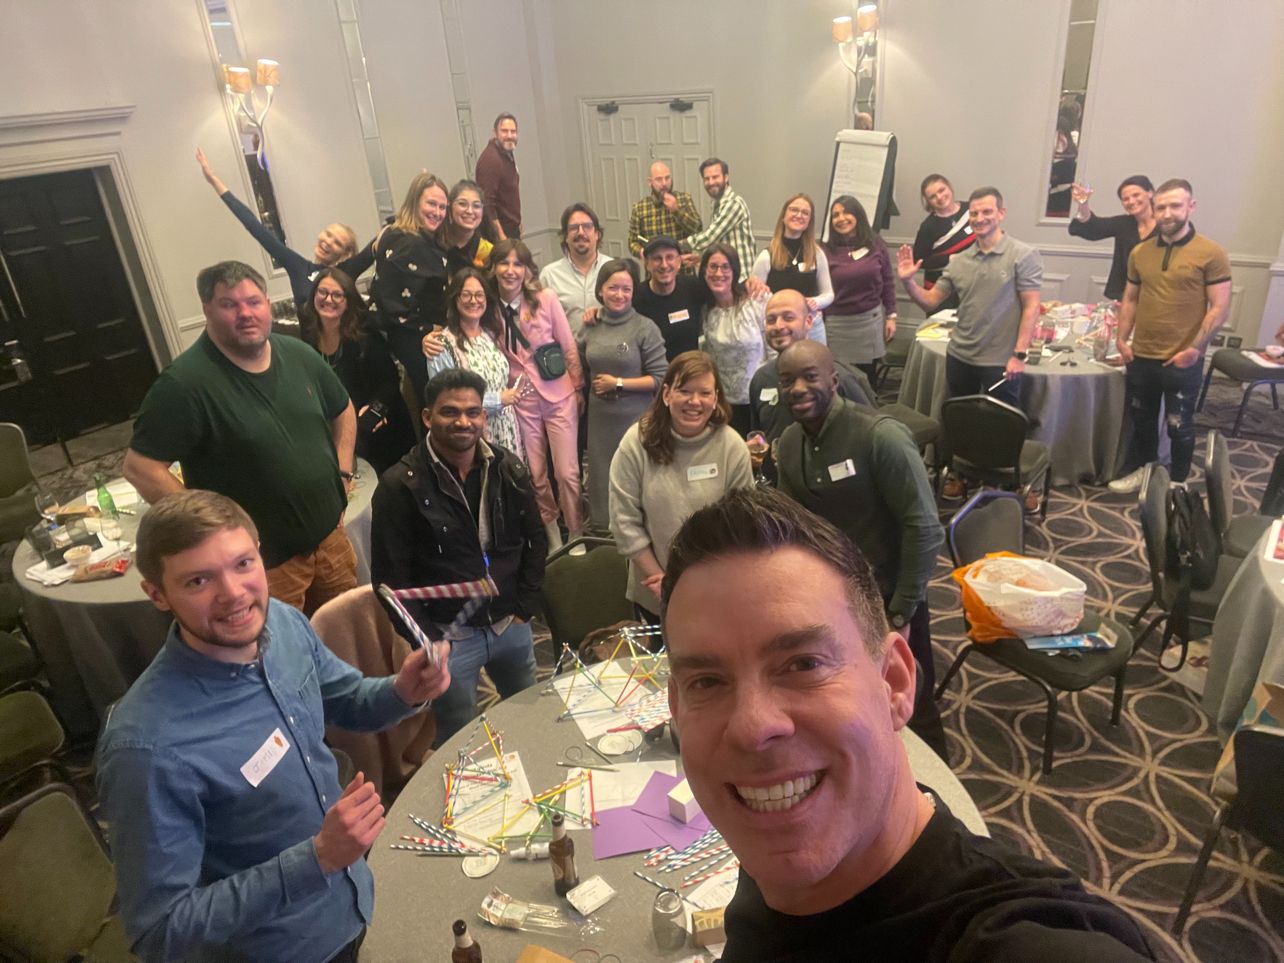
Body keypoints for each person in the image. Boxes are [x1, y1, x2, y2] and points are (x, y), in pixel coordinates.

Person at [661, 488, 1157, 962]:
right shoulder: (788, 831)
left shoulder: (1019, 943)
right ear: (676, 707)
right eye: (707, 682)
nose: (752, 727)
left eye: (803, 664)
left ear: (895, 682)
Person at [96, 489, 451, 962]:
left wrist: (402, 691)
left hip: (354, 899)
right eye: (199, 580)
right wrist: (318, 858)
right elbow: (161, 932)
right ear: (157, 594)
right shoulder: (146, 749)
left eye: (243, 564)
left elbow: (346, 700)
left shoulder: (281, 623)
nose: (234, 594)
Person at [124, 261, 358, 615]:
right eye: (229, 304)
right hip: (262, 568)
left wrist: (342, 471)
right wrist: (209, 532)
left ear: (267, 303)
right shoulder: (184, 384)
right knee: (278, 660)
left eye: (253, 302)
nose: (245, 313)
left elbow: (343, 409)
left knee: (347, 640)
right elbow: (141, 468)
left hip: (330, 542)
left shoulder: (298, 354)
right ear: (207, 310)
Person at [774, 340, 947, 757]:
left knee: (909, 696)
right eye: (787, 380)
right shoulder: (790, 443)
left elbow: (924, 529)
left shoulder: (880, 437)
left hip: (891, 598)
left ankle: (938, 792)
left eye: (809, 376)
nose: (797, 388)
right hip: (832, 602)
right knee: (845, 696)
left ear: (833, 380)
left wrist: (902, 611)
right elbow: (791, 528)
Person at [370, 368, 545, 745]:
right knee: (461, 741)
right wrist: (429, 640)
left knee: (531, 717)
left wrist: (525, 606)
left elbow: (536, 539)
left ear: (485, 416)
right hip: (450, 636)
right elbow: (389, 584)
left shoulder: (508, 467)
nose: (463, 421)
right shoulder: (399, 486)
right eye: (450, 412)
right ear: (427, 417)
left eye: (473, 412)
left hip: (509, 623)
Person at [897, 188, 1042, 500]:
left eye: (987, 212)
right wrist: (909, 280)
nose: (980, 218)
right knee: (959, 420)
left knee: (1001, 424)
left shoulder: (1023, 254)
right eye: (974, 213)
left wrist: (1019, 354)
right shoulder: (958, 260)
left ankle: (1005, 484)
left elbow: (1031, 306)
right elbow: (931, 301)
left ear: (1001, 214)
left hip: (1001, 360)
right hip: (960, 355)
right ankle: (960, 475)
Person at [1108, 179, 1232, 493]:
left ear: (1190, 206)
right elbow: (1131, 298)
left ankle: (1177, 482)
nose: (1167, 213)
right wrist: (1122, 340)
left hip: (1183, 357)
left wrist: (1195, 349)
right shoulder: (1140, 252)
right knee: (1143, 421)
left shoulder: (1210, 252)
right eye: (1161, 206)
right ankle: (1146, 472)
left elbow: (1219, 307)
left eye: (1175, 205)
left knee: (1179, 425)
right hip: (1142, 354)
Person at [609, 352, 753, 620]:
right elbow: (623, 521)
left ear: (715, 398)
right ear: (666, 395)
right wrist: (661, 580)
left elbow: (742, 525)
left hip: (718, 589)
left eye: (704, 393)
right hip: (656, 589)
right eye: (684, 391)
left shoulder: (732, 447)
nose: (694, 401)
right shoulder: (636, 442)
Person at [490, 239, 584, 550]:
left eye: (518, 264)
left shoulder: (546, 299)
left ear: (528, 270)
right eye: (504, 263)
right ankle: (553, 534)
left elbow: (568, 344)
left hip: (559, 395)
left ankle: (577, 531)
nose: (510, 270)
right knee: (536, 473)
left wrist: (578, 386)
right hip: (520, 401)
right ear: (493, 268)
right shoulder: (489, 307)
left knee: (567, 472)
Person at [195, 147, 374, 309]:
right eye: (328, 234)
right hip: (309, 346)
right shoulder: (298, 266)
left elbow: (381, 241)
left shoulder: (346, 272)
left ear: (345, 253)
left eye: (337, 242)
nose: (328, 241)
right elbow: (254, 226)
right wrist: (214, 180)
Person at [577, 259, 667, 530]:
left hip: (635, 420)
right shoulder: (590, 325)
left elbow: (661, 378)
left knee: (635, 476)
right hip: (600, 421)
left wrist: (618, 384)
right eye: (613, 288)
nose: (619, 294)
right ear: (601, 290)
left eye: (626, 289)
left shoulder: (644, 327)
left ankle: (639, 534)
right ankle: (604, 539)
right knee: (601, 478)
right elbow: (579, 364)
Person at [299, 268, 415, 475]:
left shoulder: (365, 336)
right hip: (336, 423)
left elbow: (389, 382)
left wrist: (374, 411)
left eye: (337, 295)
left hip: (378, 428)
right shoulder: (309, 334)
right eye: (322, 292)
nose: (328, 299)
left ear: (348, 301)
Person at [748, 290, 874, 478]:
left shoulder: (837, 377)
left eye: (788, 317)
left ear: (808, 322)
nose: (778, 325)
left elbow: (871, 434)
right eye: (771, 320)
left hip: (831, 485)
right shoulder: (761, 378)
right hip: (778, 490)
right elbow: (760, 434)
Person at [367, 171, 451, 404]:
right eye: (431, 204)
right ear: (415, 201)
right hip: (415, 339)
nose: (437, 212)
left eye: (443, 207)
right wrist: (427, 328)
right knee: (437, 405)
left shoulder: (421, 237)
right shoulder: (407, 242)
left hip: (424, 336)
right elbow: (392, 302)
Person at [424, 268, 524, 459]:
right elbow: (445, 401)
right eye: (466, 295)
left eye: (479, 295)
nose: (474, 301)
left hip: (506, 429)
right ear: (455, 299)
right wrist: (498, 400)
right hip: (470, 433)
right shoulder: (441, 345)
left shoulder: (490, 334)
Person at [822, 194, 897, 383]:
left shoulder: (876, 244)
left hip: (868, 321)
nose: (841, 218)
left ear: (858, 215)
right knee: (839, 377)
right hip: (836, 324)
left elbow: (887, 281)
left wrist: (891, 316)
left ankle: (869, 411)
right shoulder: (824, 250)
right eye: (835, 215)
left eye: (846, 212)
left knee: (867, 377)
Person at [701, 244, 768, 435]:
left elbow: (774, 348)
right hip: (722, 403)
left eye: (725, 267)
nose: (718, 273)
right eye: (713, 266)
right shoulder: (704, 309)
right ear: (704, 271)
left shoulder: (756, 300)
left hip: (759, 399)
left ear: (735, 271)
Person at [749, 193, 833, 344]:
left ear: (809, 221)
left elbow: (829, 294)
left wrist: (815, 302)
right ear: (783, 216)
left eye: (805, 213)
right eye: (794, 210)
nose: (799, 215)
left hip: (812, 327)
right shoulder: (766, 256)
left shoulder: (817, 254)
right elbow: (755, 299)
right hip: (780, 330)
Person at [1067, 175, 1156, 301]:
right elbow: (1091, 227)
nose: (1131, 201)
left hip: (1157, 295)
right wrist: (1083, 203)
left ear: (1150, 193)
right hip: (1125, 296)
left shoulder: (1166, 226)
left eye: (1136, 195)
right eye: (1125, 199)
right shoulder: (1124, 224)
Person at [540, 203, 612, 336]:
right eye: (574, 228)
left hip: (608, 351)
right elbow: (541, 325)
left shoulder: (613, 270)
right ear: (565, 236)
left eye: (587, 227)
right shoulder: (549, 275)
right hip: (566, 353)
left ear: (597, 234)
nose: (580, 232)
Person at [680, 157, 756, 276]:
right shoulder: (718, 204)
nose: (711, 182)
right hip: (727, 274)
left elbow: (710, 236)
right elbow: (720, 242)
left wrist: (675, 245)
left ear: (726, 178)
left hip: (740, 278)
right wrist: (701, 258)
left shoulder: (733, 203)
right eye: (706, 179)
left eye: (715, 177)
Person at [633, 236, 706, 360]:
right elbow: (621, 341)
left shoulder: (694, 287)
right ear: (647, 264)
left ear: (679, 262)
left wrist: (747, 286)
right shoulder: (635, 297)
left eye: (670, 257)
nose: (664, 265)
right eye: (657, 258)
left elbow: (726, 295)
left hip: (689, 372)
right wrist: (599, 313)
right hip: (651, 376)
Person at [910, 174, 975, 311]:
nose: (939, 197)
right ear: (927, 201)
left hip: (973, 284)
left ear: (949, 187)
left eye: (941, 190)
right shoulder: (928, 226)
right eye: (933, 196)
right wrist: (949, 259)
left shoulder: (972, 210)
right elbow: (919, 260)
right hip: (941, 290)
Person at [628, 161, 702, 258]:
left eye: (667, 178)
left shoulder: (684, 199)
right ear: (650, 182)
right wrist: (641, 252)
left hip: (683, 267)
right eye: (659, 179)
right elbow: (632, 242)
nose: (664, 183)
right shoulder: (639, 208)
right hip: (655, 268)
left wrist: (677, 211)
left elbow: (697, 229)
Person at [474, 112, 521, 240]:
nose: (510, 136)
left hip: (512, 229)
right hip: (500, 234)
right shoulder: (491, 160)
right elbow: (487, 202)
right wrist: (500, 235)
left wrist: (517, 222)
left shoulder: (506, 154)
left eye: (513, 131)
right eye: (504, 131)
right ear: (495, 133)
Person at [440, 179, 496, 276]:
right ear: (449, 207)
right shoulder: (437, 242)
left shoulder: (486, 250)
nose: (470, 211)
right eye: (462, 204)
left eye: (476, 206)